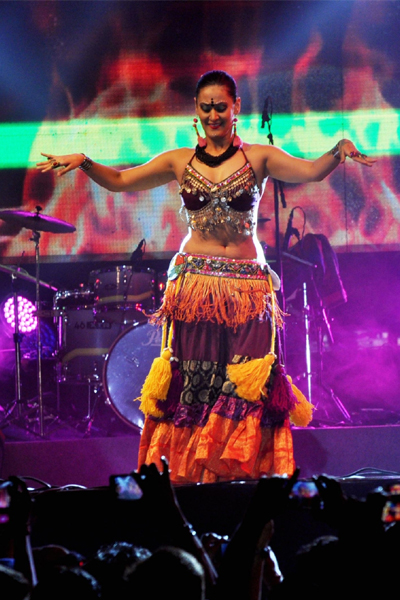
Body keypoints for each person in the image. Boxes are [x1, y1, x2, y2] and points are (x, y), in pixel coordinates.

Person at [36, 70, 375, 485]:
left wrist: (339, 150)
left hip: (247, 287)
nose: (213, 114)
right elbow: (122, 182)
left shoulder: (259, 158)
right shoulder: (180, 161)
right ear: (197, 110)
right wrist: (86, 162)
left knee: (248, 379)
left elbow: (311, 172)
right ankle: (196, 475)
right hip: (195, 285)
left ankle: (242, 473)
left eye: (221, 106)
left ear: (236, 108)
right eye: (205, 107)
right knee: (197, 380)